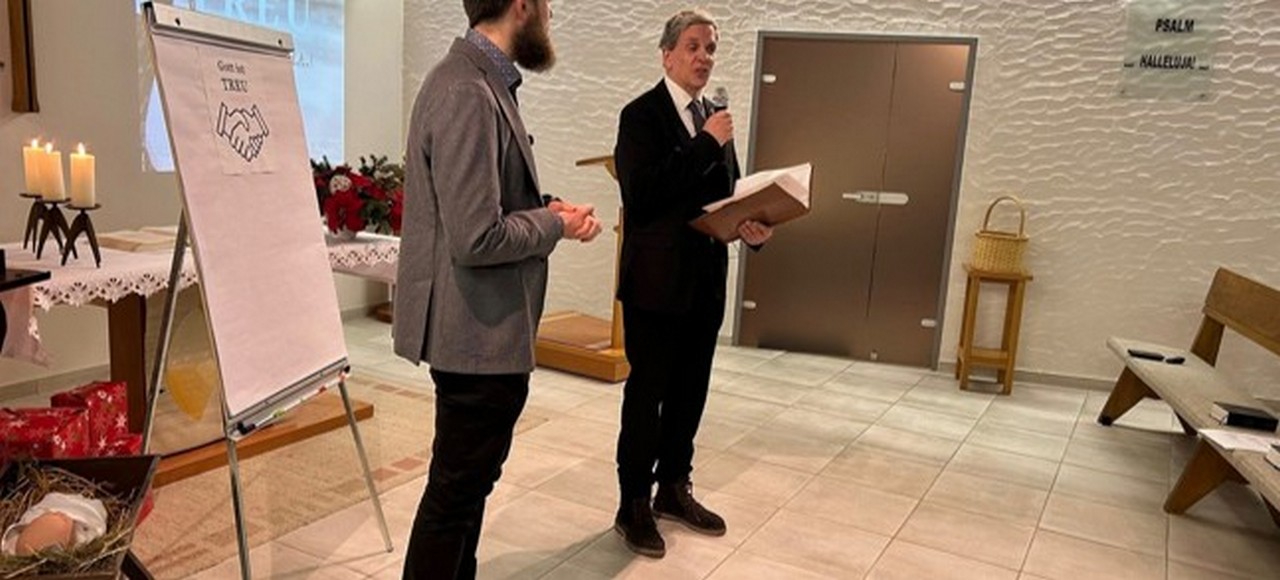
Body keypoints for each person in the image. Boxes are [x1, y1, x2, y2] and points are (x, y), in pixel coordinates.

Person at [392, 0, 602, 578]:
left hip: (484, 330)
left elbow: (487, 204)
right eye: (547, 4)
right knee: (454, 498)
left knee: (466, 493)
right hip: (475, 334)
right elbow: (476, 236)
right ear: (521, 6)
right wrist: (554, 225)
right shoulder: (466, 89)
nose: (552, 14)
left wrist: (547, 209)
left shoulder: (482, 81)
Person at [611, 8, 772, 559]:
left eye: (711, 49)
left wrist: (752, 225)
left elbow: (728, 192)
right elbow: (642, 195)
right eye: (694, 47)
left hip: (705, 282)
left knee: (690, 393)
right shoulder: (641, 116)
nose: (705, 58)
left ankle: (674, 488)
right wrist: (704, 142)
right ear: (667, 56)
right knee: (648, 395)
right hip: (656, 285)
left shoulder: (714, 118)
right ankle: (633, 503)